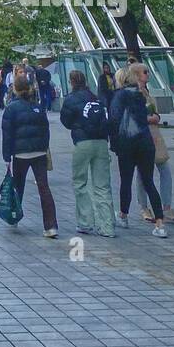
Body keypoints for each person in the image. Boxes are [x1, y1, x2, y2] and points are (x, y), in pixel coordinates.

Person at [109, 64, 167, 237]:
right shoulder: (139, 95)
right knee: (149, 181)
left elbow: (114, 120)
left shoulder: (118, 96)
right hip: (145, 142)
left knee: (126, 180)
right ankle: (160, 223)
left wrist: (114, 144)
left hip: (127, 143)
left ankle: (123, 215)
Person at [1, 69, 58, 238]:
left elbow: (7, 134)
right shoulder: (38, 107)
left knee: (18, 187)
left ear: (15, 89)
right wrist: (43, 147)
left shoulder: (11, 109)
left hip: (20, 154)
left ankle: (14, 216)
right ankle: (51, 225)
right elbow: (45, 130)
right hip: (39, 152)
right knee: (44, 188)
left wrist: (7, 156)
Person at [59, 70, 114, 237]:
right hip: (102, 142)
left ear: (71, 82)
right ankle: (107, 226)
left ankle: (85, 222)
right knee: (102, 185)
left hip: (82, 142)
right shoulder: (96, 98)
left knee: (80, 182)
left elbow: (66, 121)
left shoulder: (70, 99)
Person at [133, 64, 174, 225]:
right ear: (136, 75)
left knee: (164, 169)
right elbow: (133, 116)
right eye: (145, 72)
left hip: (155, 135)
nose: (148, 75)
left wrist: (155, 117)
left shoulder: (146, 91)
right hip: (142, 135)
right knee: (143, 173)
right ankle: (144, 207)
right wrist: (150, 119)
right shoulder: (133, 93)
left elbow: (155, 112)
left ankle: (167, 207)